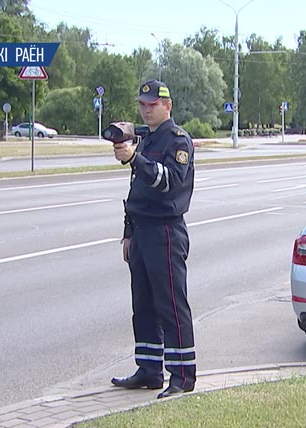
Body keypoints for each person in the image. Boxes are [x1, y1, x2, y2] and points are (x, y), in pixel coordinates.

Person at [110, 79, 196, 399]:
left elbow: (169, 183)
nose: (147, 110)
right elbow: (136, 193)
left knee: (171, 305)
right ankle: (149, 369)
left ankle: (183, 375)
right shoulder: (145, 141)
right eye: (143, 105)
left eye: (153, 105)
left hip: (165, 231)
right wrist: (128, 233)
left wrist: (135, 159)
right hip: (143, 231)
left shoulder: (178, 141)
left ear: (167, 106)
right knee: (143, 304)